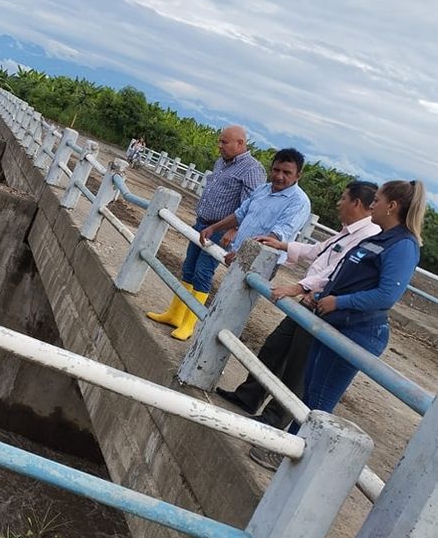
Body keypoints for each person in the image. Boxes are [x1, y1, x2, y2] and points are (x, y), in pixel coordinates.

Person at [249, 180, 426, 471]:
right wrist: (322, 296)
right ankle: (294, 450)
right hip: (337, 324)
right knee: (311, 392)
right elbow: (345, 276)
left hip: (358, 331)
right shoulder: (381, 238)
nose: (372, 205)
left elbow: (387, 295)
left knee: (319, 400)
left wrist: (340, 302)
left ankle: (295, 458)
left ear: (392, 206)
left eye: (377, 200)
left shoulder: (403, 245)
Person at [216, 181, 380, 435]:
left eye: (343, 198)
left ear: (356, 203)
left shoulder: (368, 235)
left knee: (297, 367)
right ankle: (249, 396)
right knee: (274, 348)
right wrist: (281, 245)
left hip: (322, 307)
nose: (339, 203)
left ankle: (275, 419)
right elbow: (318, 251)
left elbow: (336, 273)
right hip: (308, 303)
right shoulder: (348, 231)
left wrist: (298, 287)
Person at [147, 125, 265, 340]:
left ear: (240, 143)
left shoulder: (252, 170)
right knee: (189, 268)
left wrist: (234, 229)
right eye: (220, 141)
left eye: (224, 142)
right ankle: (174, 314)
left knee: (203, 272)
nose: (219, 146)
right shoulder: (221, 162)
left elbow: (252, 205)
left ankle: (189, 323)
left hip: (221, 230)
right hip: (202, 224)